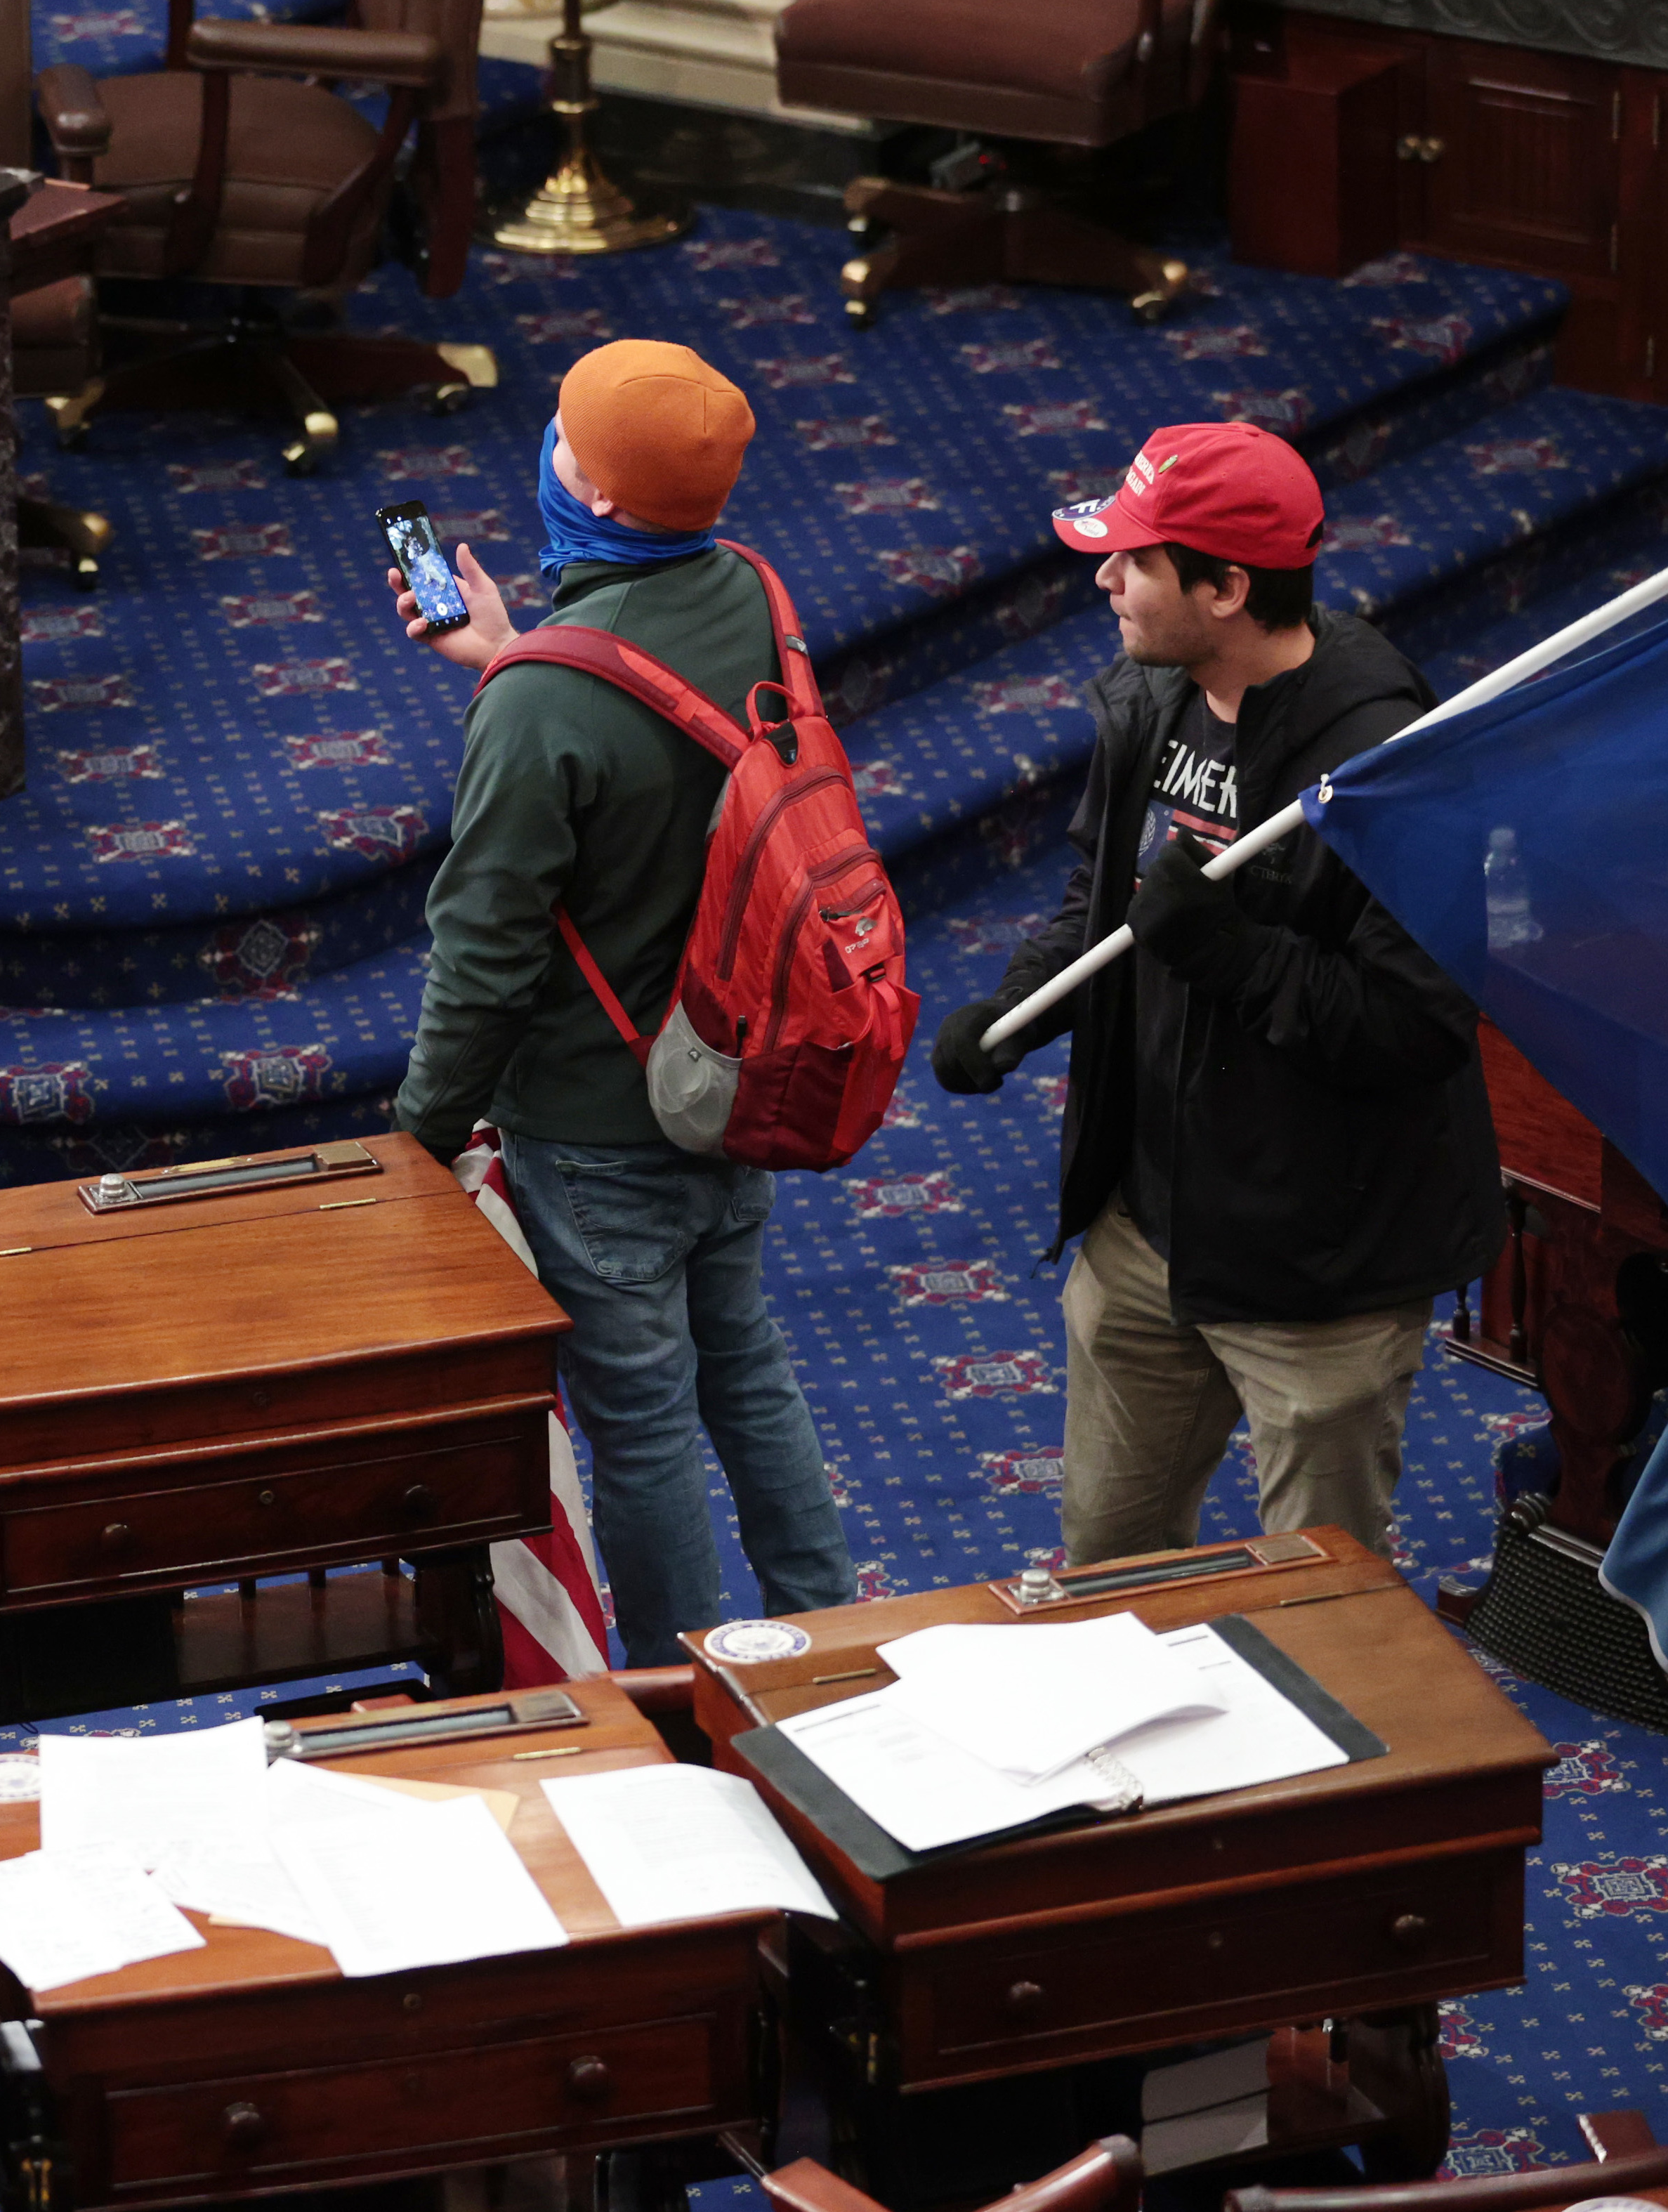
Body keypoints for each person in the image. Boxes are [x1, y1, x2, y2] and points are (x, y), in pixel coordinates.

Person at [931, 420, 1504, 1566]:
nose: (1102, 578)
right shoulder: (1150, 696)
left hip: (1318, 1275)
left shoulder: (1385, 763)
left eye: (1133, 560)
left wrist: (1225, 949)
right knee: (1107, 1573)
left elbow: (1414, 1023)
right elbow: (1097, 904)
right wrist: (1018, 1006)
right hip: (1144, 1238)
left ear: (1227, 587)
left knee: (1319, 1617)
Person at [385, 339, 857, 1667]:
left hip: (597, 1127)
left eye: (559, 435)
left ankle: (675, 1684)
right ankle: (824, 1630)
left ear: (588, 499)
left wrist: (420, 1133)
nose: (542, 443)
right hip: (736, 1076)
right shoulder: (750, 590)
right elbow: (651, 741)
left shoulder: (538, 706)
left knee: (643, 1422)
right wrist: (516, 653)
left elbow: (482, 956)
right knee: (746, 1367)